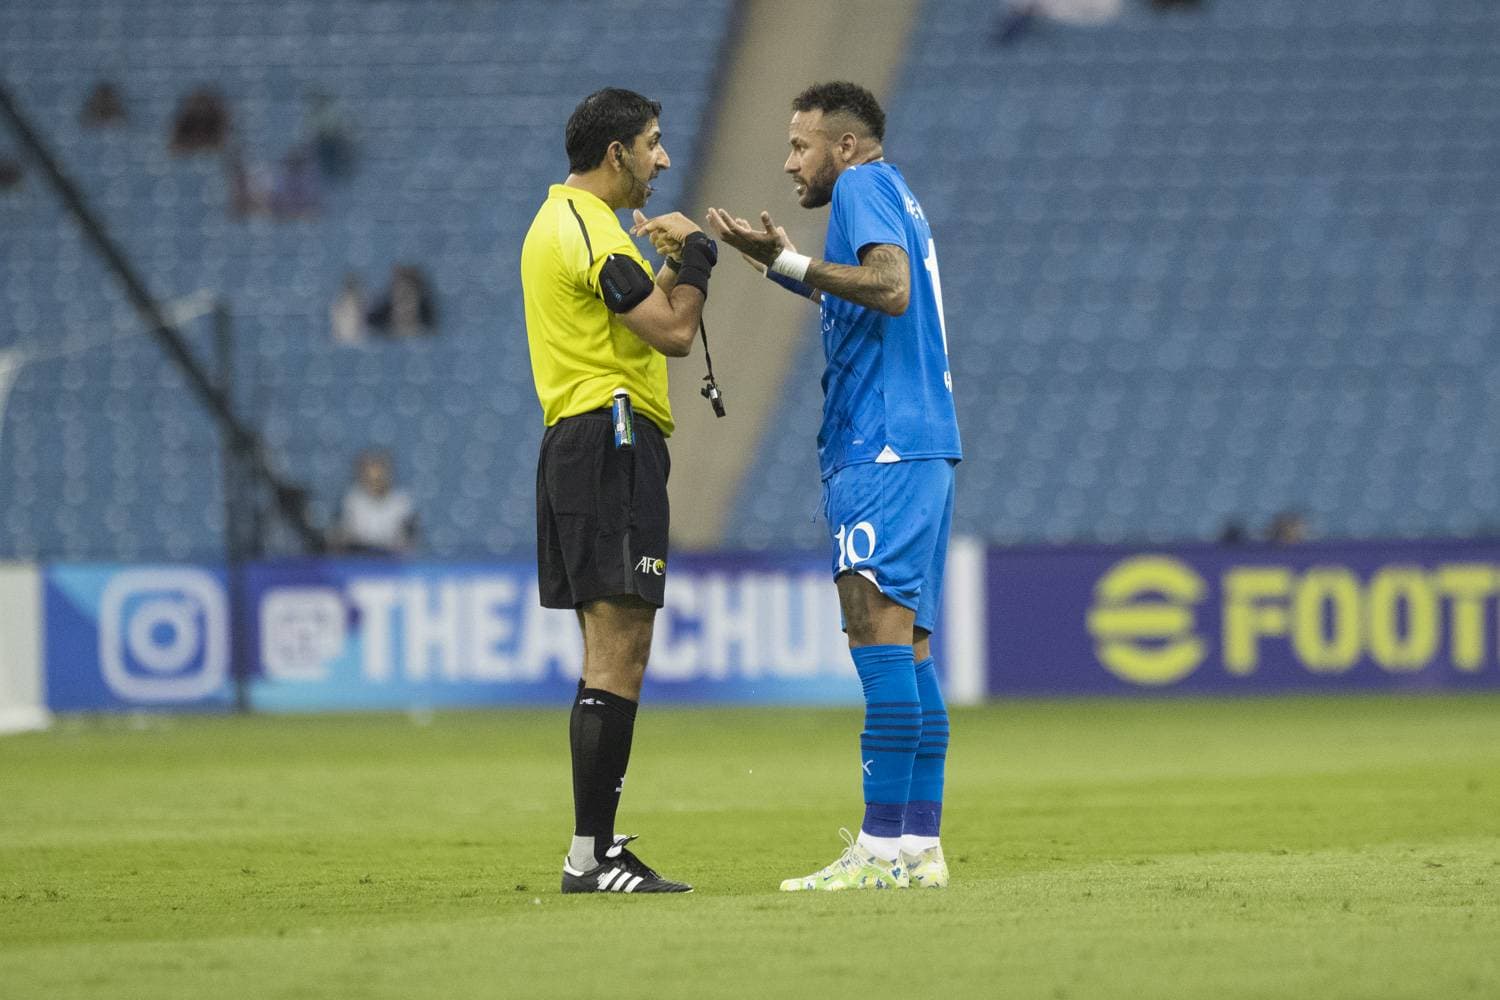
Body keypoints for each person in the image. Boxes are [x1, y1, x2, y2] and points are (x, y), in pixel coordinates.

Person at [702, 81, 961, 891]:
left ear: (844, 146)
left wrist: (793, 260)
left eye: (799, 145)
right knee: (909, 649)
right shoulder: (894, 192)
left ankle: (879, 853)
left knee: (876, 638)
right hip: (918, 446)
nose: (789, 163)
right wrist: (780, 264)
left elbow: (889, 288)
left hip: (881, 446)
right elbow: (866, 297)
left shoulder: (860, 186)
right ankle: (918, 849)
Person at [520, 87, 718, 894]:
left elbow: (628, 316)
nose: (662, 158)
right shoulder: (590, 231)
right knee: (619, 651)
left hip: (591, 439)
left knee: (614, 651)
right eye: (653, 142)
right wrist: (698, 254)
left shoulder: (565, 225)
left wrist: (668, 268)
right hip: (610, 439)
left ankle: (591, 849)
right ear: (616, 153)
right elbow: (673, 331)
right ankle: (591, 856)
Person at [333, 450, 417, 555]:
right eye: (369, 477)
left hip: (391, 558)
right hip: (359, 555)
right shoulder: (353, 499)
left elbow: (408, 541)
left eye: (379, 477)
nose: (375, 482)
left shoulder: (401, 501)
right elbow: (343, 536)